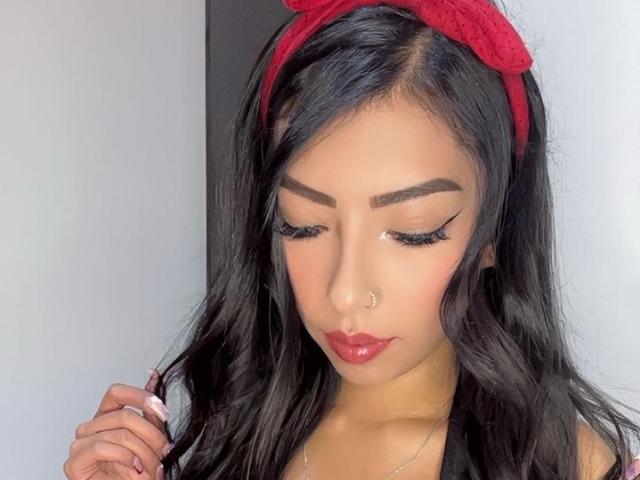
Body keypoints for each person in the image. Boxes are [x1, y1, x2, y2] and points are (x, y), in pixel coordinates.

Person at [63, 1, 640, 479]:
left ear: (495, 229)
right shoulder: (232, 434)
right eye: (302, 224)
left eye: (413, 231)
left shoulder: (568, 465)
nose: (345, 292)